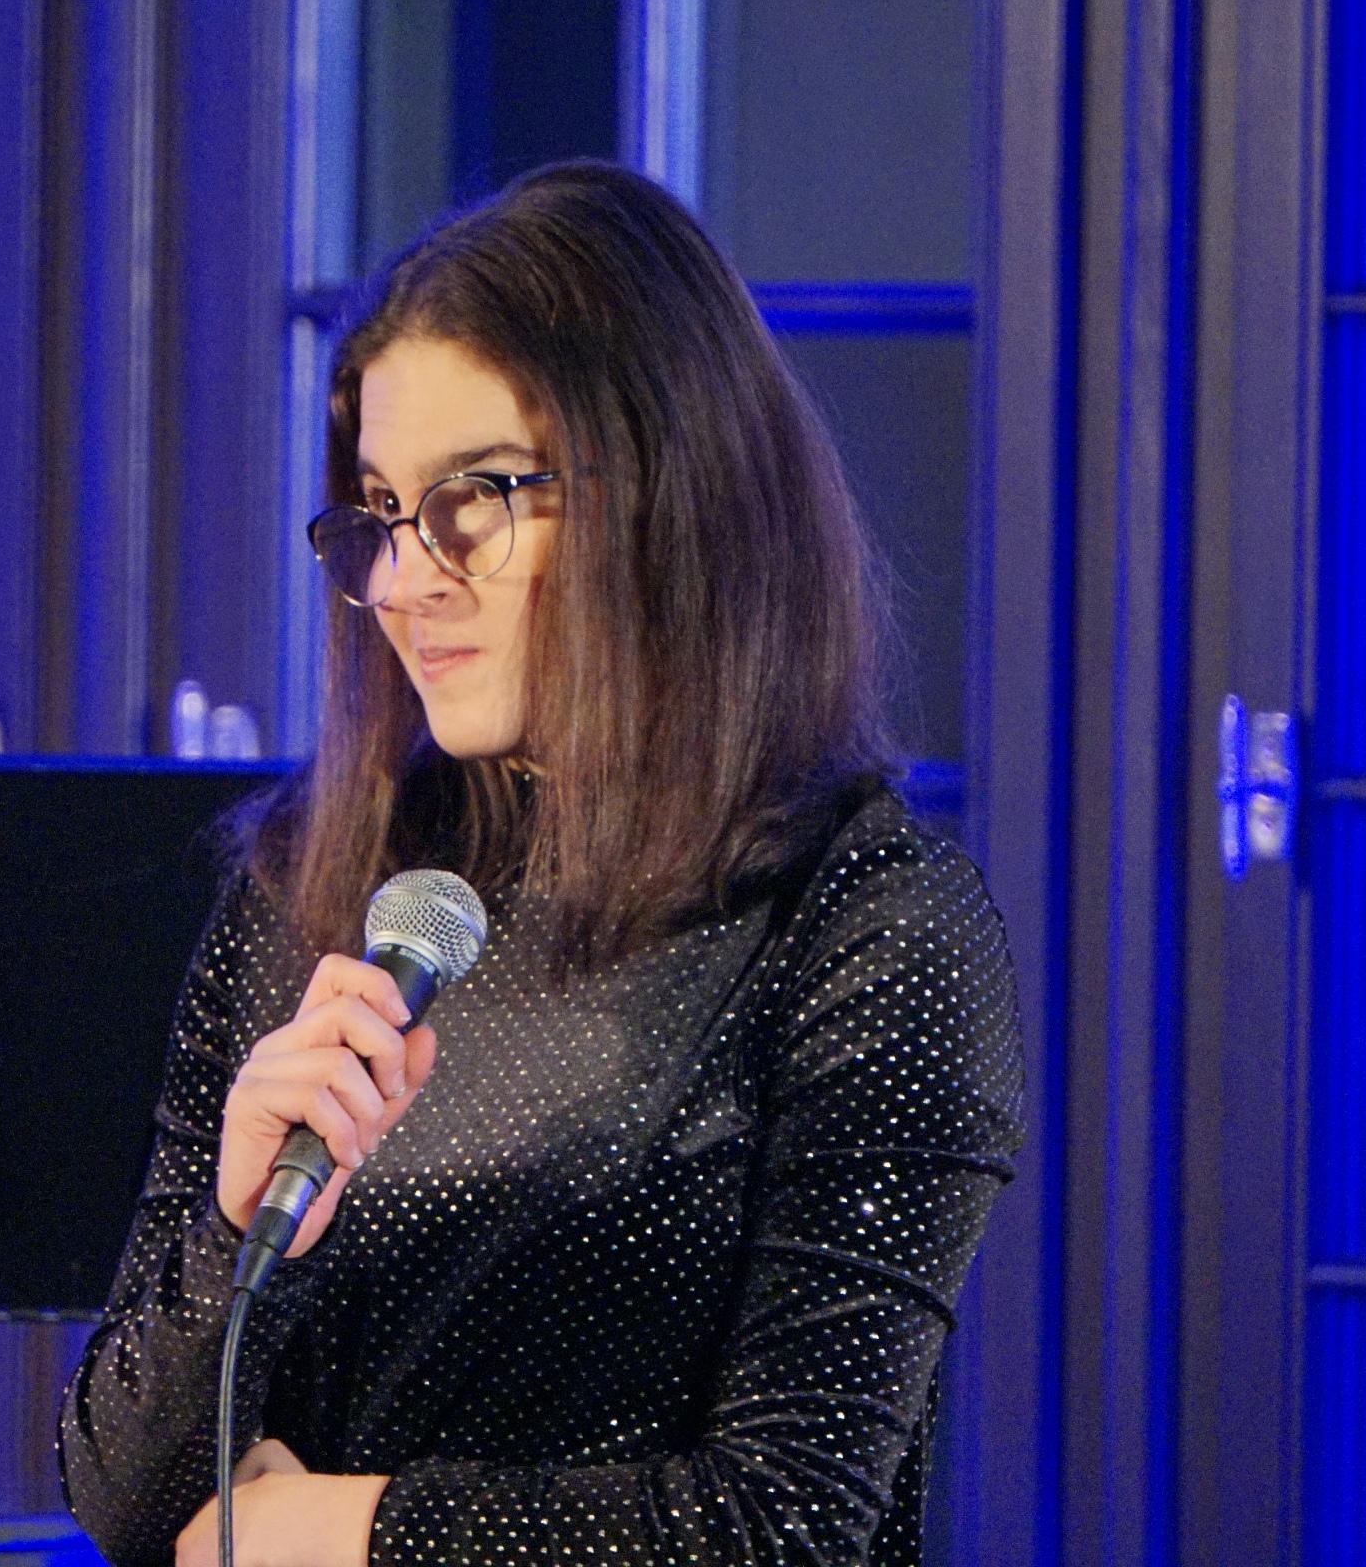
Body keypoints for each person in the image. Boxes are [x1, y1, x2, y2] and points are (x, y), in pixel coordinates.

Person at [57, 160, 1024, 1567]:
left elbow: (784, 1527)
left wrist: (336, 1531)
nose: (403, 581)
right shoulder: (315, 889)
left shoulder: (867, 924)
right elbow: (118, 1495)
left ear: (667, 493)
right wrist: (231, 1234)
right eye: (381, 512)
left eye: (475, 498)